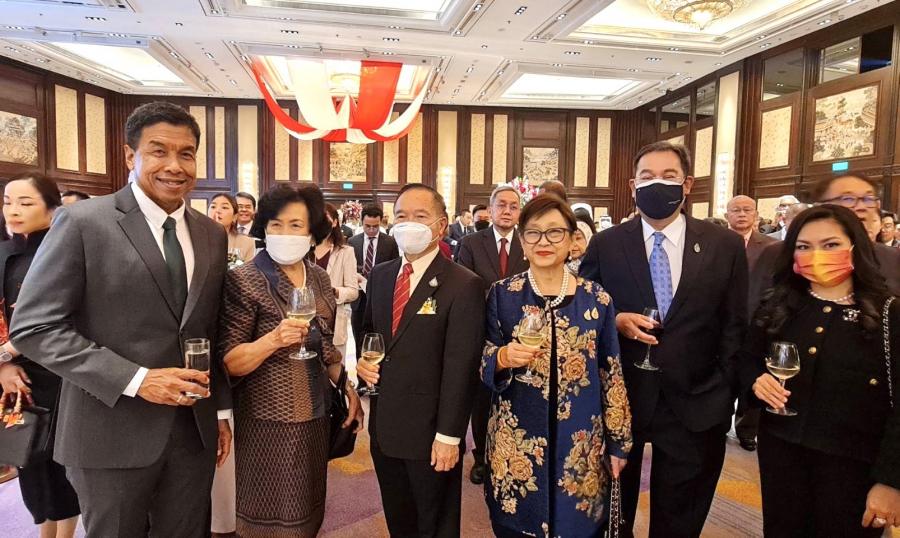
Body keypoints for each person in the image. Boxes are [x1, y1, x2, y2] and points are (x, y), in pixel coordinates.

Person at [9, 101, 233, 536]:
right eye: (158, 151)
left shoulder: (210, 233)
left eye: (186, 153)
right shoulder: (83, 222)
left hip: (193, 432)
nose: (174, 165)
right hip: (109, 431)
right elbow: (35, 327)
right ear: (130, 156)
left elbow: (209, 328)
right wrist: (137, 379)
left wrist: (220, 412)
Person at [580, 141, 748, 537]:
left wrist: (724, 390)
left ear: (687, 184)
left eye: (669, 176)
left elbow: (735, 323)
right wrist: (614, 320)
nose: (658, 183)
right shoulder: (606, 244)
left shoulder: (723, 245)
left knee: (680, 518)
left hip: (696, 401)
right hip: (621, 400)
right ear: (633, 186)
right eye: (647, 176)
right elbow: (583, 310)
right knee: (611, 515)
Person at [480, 194, 632, 537]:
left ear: (573, 240)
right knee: (516, 526)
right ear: (522, 242)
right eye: (533, 233)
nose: (543, 242)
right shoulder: (502, 294)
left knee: (578, 526)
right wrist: (501, 358)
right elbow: (480, 355)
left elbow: (611, 374)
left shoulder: (597, 299)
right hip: (517, 446)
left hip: (580, 447)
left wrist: (619, 442)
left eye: (555, 232)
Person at [745, 204, 900, 536]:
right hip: (782, 455)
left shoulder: (889, 314)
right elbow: (747, 361)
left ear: (855, 246)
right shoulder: (778, 305)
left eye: (830, 245)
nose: (816, 255)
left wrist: (891, 481)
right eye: (804, 246)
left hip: (855, 466)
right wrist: (756, 382)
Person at [219, 184, 363, 537]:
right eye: (276, 224)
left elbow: (325, 345)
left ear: (312, 231)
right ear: (264, 227)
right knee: (267, 515)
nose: (285, 233)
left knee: (307, 509)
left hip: (315, 412)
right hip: (265, 419)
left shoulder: (319, 278)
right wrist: (272, 340)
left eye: (296, 225)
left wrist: (348, 388)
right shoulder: (244, 280)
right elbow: (229, 362)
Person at [356, 184, 484, 537]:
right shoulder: (381, 275)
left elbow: (461, 367)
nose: (408, 223)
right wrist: (364, 362)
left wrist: (449, 435)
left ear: (441, 225)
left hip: (431, 431)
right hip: (385, 425)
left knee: (434, 523)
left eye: (420, 216)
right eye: (401, 216)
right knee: (399, 519)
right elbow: (370, 332)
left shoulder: (463, 284)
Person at [0, 174, 80, 538]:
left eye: (25, 202)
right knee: (28, 458)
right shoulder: (5, 253)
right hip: (16, 377)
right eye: (7, 202)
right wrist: (4, 367)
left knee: (62, 461)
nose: (13, 211)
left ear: (52, 207)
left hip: (62, 372)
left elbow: (67, 314)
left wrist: (8, 352)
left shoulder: (67, 250)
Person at [456, 184, 530, 485]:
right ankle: (482, 458)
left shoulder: (529, 241)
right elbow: (463, 286)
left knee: (519, 397)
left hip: (523, 333)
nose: (507, 211)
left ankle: (514, 456)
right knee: (483, 400)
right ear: (490, 208)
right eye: (501, 205)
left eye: (513, 206)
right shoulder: (471, 243)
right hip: (483, 333)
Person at [811, 173, 900, 295]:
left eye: (869, 199)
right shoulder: (801, 255)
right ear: (820, 206)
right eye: (848, 199)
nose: (862, 207)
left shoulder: (894, 259)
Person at [314, 202, 360, 380]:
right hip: (305, 321)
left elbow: (353, 291)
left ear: (334, 222)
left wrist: (334, 292)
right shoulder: (304, 249)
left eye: (325, 219)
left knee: (334, 375)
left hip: (333, 321)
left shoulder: (345, 252)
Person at [348, 204, 399, 358]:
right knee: (359, 337)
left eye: (375, 226)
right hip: (359, 299)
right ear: (361, 222)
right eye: (367, 226)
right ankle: (360, 368)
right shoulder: (353, 242)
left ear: (380, 222)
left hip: (380, 297)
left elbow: (394, 268)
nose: (371, 230)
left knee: (378, 338)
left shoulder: (390, 242)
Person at [208, 193, 256, 265]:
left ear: (235, 217)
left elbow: (248, 270)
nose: (217, 210)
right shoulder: (197, 238)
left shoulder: (247, 242)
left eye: (224, 207)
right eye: (213, 207)